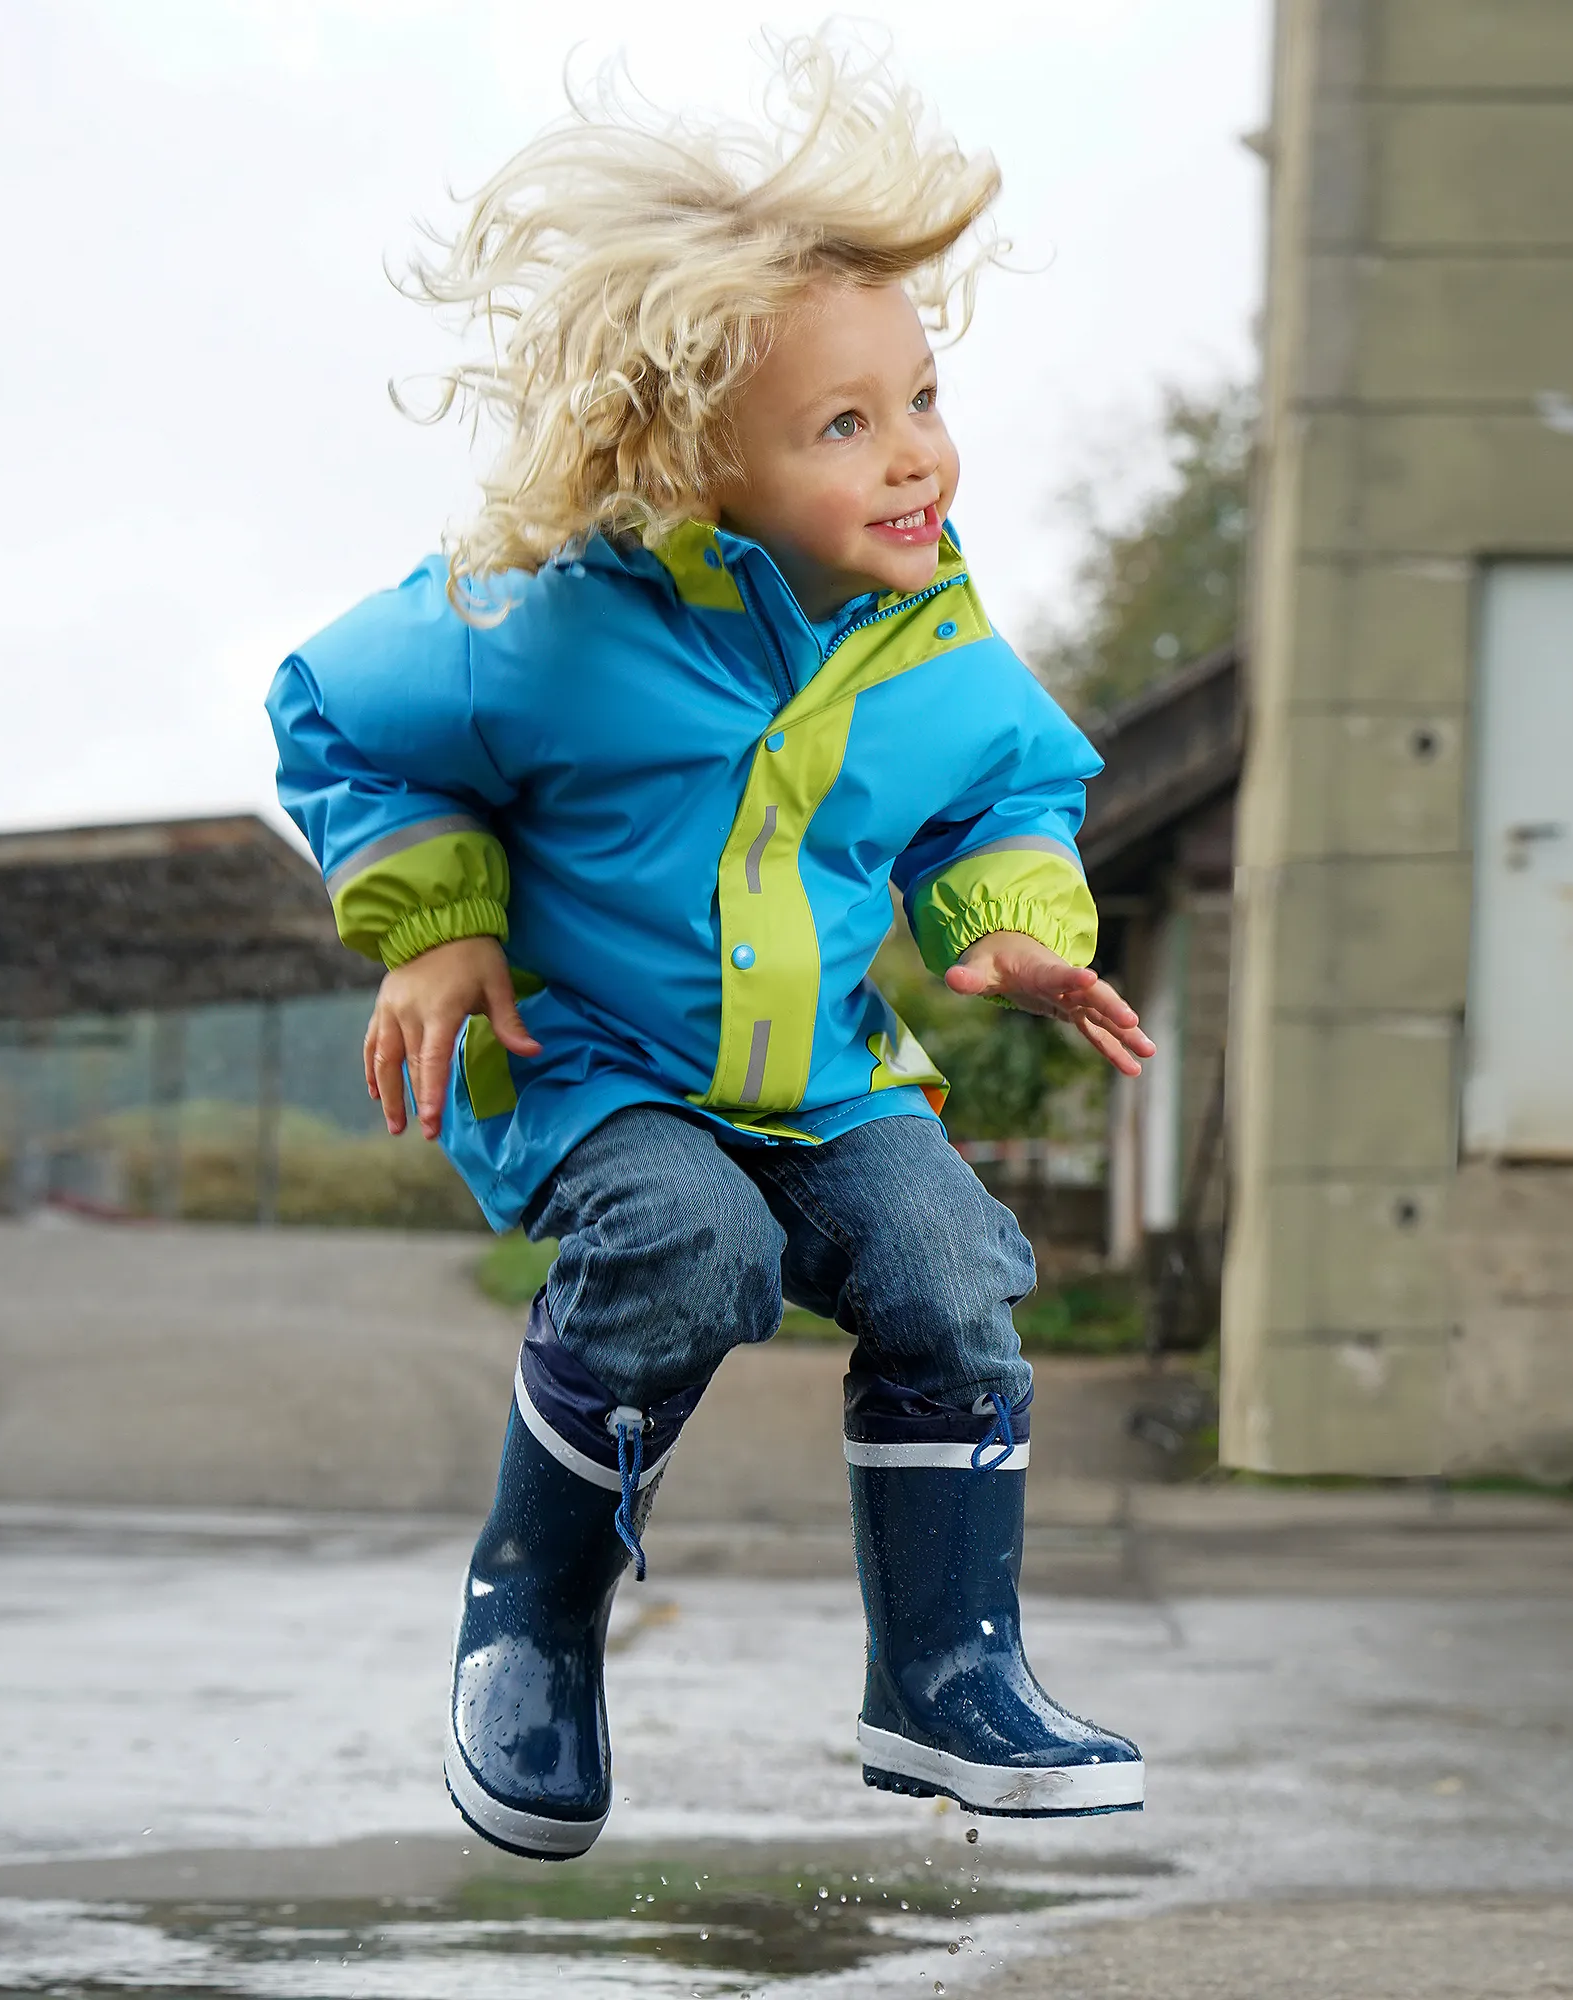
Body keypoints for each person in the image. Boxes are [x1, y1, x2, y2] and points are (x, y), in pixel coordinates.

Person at [266, 33, 1155, 1862]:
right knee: (689, 1243)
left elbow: (1010, 794)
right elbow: (335, 715)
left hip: (822, 1076)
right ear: (693, 459)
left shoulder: (927, 632)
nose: (916, 456)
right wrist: (434, 928)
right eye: (846, 427)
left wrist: (1010, 923)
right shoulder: (545, 621)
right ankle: (532, 1627)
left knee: (947, 1272)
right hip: (594, 1065)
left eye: (920, 395)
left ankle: (946, 1679)